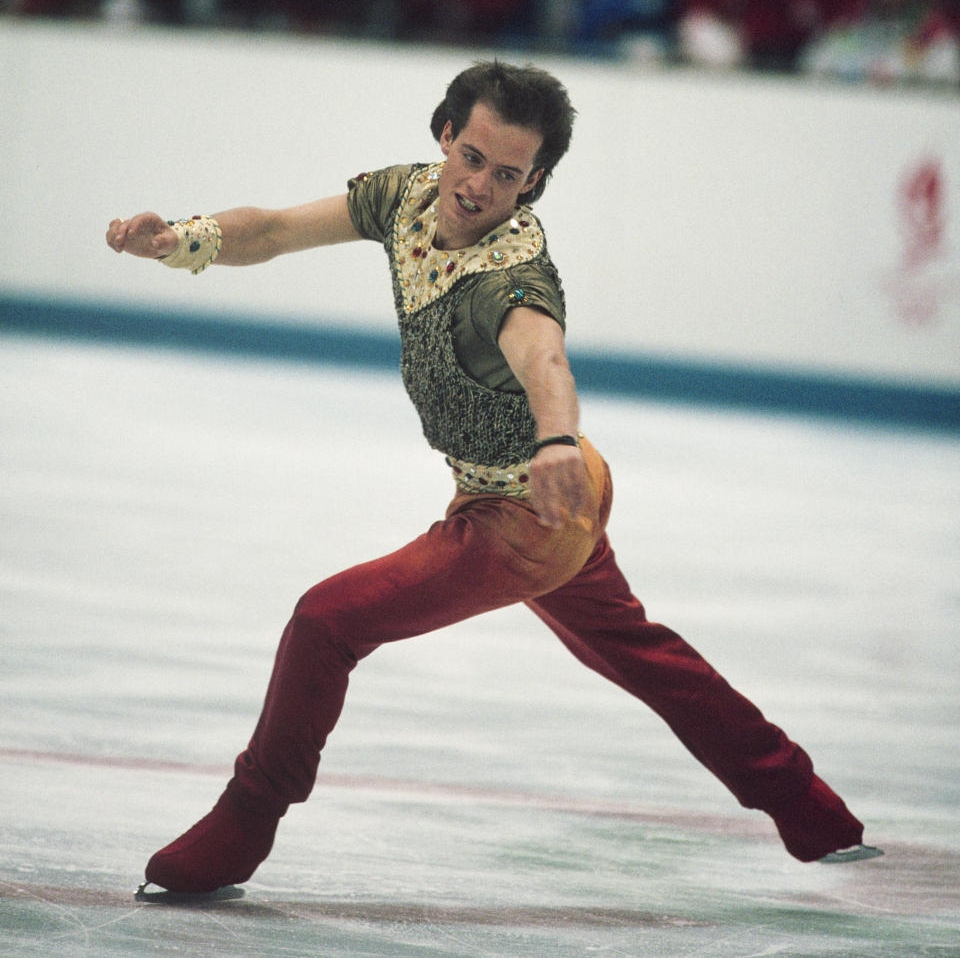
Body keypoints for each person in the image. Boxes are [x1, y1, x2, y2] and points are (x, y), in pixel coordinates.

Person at [105, 60, 881, 894]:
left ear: (535, 180)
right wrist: (183, 239)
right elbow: (278, 229)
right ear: (446, 134)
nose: (478, 186)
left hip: (531, 510)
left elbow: (542, 355)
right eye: (471, 156)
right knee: (638, 653)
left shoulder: (510, 280)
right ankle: (810, 808)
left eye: (507, 174)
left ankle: (242, 827)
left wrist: (555, 440)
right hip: (555, 489)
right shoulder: (406, 196)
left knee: (326, 622)